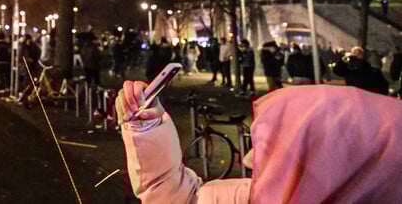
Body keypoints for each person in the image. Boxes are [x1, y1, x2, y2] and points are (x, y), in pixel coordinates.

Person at [116, 81, 402, 203]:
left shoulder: (272, 195)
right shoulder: (265, 195)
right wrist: (147, 126)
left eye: (283, 147)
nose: (251, 159)